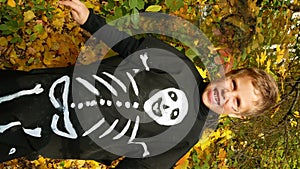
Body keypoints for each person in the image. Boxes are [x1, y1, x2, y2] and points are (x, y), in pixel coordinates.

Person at [0, 0, 278, 168]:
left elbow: (140, 167)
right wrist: (89, 20)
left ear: (238, 115)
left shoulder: (185, 138)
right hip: (50, 85)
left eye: (237, 101)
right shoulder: (179, 66)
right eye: (232, 84)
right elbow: (129, 45)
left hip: (53, 136)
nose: (226, 94)